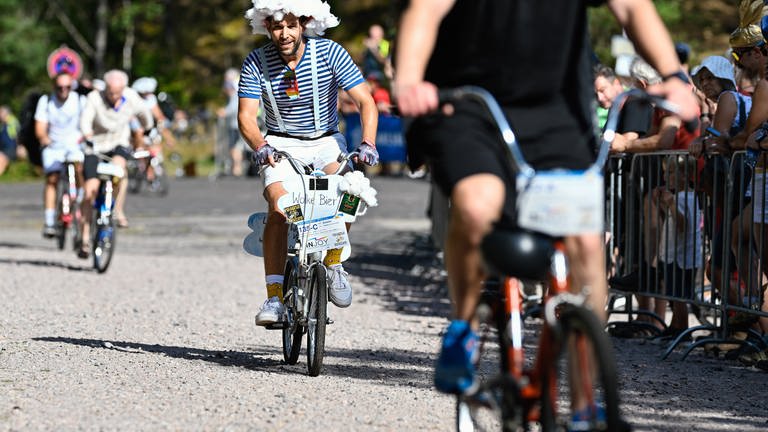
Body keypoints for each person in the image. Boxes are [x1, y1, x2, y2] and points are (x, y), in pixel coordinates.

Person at [395, 0, 698, 399]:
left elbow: (631, 7)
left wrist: (674, 75)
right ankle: (462, 329)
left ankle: (586, 406)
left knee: (587, 243)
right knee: (476, 202)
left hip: (556, 112)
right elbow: (425, 10)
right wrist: (410, 78)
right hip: (470, 104)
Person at [237, 0, 379, 326]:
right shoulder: (256, 62)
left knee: (351, 192)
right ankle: (274, 297)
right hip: (280, 143)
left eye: (290, 24)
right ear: (266, 27)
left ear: (304, 23)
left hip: (327, 141)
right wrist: (259, 146)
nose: (283, 33)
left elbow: (365, 101)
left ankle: (332, 262)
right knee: (279, 207)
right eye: (276, 25)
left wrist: (368, 143)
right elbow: (246, 117)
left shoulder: (330, 52)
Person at [78, 69, 153, 257]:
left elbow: (145, 115)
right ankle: (85, 238)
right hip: (95, 146)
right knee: (90, 191)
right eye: (110, 92)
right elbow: (85, 119)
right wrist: (87, 135)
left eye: (117, 92)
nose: (114, 96)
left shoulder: (131, 97)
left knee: (120, 170)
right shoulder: (95, 98)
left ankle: (117, 209)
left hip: (118, 143)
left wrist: (147, 130)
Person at [653, 155, 702, 340]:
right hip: (676, 254)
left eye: (672, 172)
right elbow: (673, 219)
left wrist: (671, 203)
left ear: (686, 175)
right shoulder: (683, 196)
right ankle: (675, 325)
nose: (666, 177)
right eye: (666, 172)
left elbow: (683, 225)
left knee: (679, 295)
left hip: (682, 256)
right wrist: (663, 204)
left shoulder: (684, 198)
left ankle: (682, 329)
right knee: (674, 292)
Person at [34, 72, 87, 237]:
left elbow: (87, 123)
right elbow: (40, 128)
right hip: (54, 146)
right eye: (60, 87)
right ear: (54, 87)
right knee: (52, 179)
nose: (63, 90)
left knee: (79, 172)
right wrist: (44, 138)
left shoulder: (80, 101)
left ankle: (79, 202)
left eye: (67, 87)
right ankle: (49, 221)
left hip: (74, 146)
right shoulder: (46, 101)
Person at [0, 106, 17, 176]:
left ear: (6, 113)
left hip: (10, 149)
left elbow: (16, 135)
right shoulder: (3, 124)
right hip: (3, 149)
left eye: (0, 112)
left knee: (1, 158)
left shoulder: (12, 122)